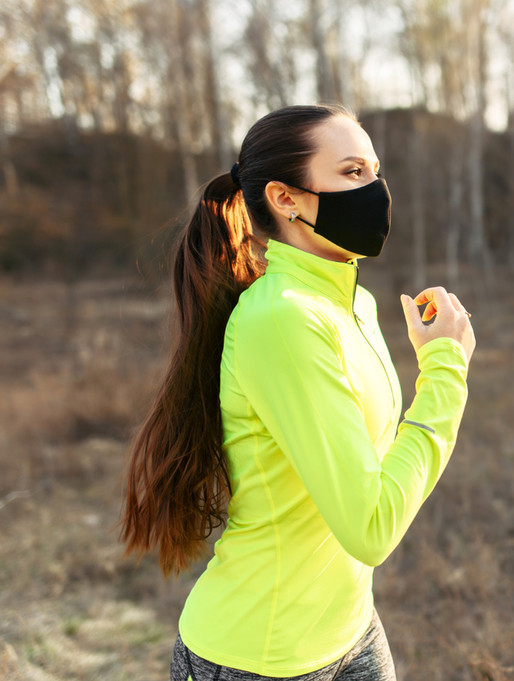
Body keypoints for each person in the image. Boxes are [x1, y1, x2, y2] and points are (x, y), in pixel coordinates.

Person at [119, 104, 474, 681]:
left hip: (352, 630)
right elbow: (371, 526)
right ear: (286, 199)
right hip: (259, 656)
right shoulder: (283, 318)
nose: (377, 189)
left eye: (375, 171)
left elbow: (365, 472)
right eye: (353, 172)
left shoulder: (352, 303)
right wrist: (444, 371)